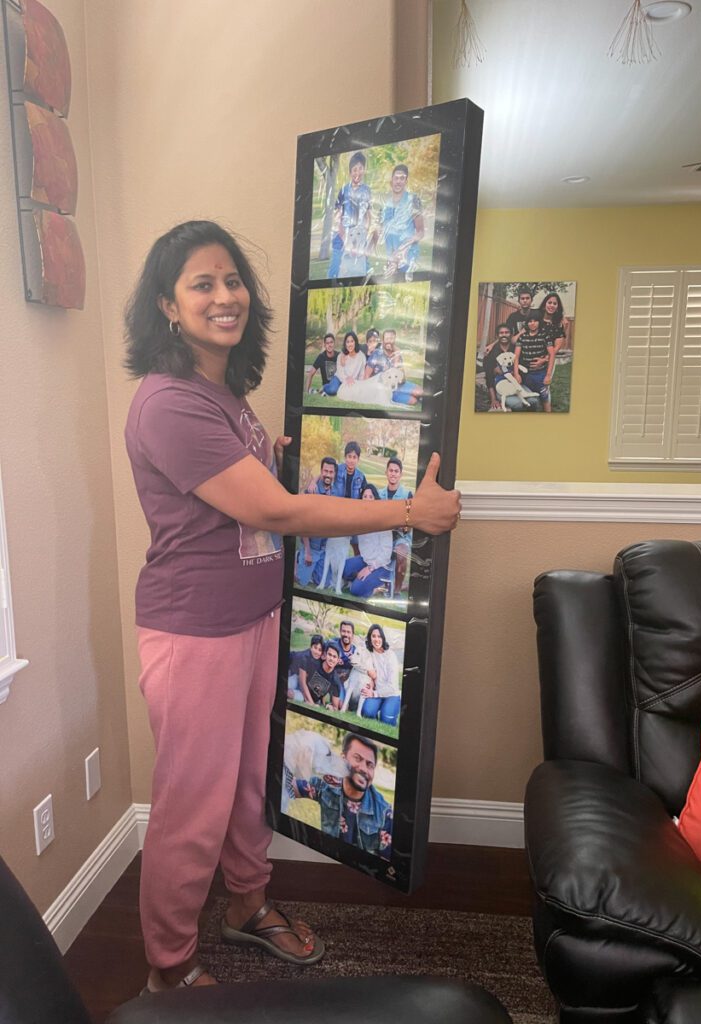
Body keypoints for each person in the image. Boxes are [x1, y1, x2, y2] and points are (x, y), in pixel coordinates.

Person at [123, 219, 460, 992]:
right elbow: (273, 513)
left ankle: (247, 905)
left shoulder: (222, 393)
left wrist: (269, 456)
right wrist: (410, 512)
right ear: (168, 306)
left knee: (250, 784)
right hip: (195, 632)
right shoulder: (169, 403)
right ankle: (168, 971)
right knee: (191, 807)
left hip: (254, 619)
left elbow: (239, 493)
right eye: (202, 284)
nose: (225, 296)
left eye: (232, 279)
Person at [293, 733, 393, 859]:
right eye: (357, 758)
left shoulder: (384, 813)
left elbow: (387, 863)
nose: (364, 769)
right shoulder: (326, 785)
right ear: (342, 759)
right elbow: (289, 786)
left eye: (370, 765)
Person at [343, 485, 394, 598]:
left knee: (356, 590)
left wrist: (369, 569)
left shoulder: (383, 521)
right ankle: (362, 579)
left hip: (381, 565)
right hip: (365, 560)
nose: (367, 499)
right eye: (364, 496)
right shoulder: (361, 519)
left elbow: (386, 554)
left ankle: (382, 585)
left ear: (376, 499)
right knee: (343, 568)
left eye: (370, 497)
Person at [373, 164, 424, 278]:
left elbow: (420, 232)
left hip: (408, 260)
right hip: (391, 262)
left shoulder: (413, 200)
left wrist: (402, 249)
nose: (398, 181)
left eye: (402, 178)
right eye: (396, 178)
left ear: (406, 181)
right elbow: (380, 233)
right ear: (391, 181)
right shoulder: (384, 205)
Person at [328, 152, 371, 279]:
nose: (357, 173)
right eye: (354, 170)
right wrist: (345, 239)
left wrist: (364, 235)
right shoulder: (344, 190)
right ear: (350, 172)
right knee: (335, 271)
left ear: (364, 170)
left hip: (359, 238)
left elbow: (368, 216)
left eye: (360, 168)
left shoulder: (367, 190)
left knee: (364, 271)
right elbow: (337, 217)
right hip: (342, 237)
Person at [295, 457, 336, 586]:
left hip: (324, 548)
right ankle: (299, 556)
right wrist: (307, 552)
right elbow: (303, 524)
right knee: (302, 582)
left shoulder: (335, 491)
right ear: (321, 471)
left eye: (331, 472)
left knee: (324, 583)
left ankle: (313, 566)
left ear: (335, 473)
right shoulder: (312, 491)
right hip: (311, 547)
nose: (328, 474)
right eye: (325, 471)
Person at [378, 457, 412, 594]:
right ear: (386, 472)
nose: (393, 474)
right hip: (381, 538)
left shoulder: (407, 495)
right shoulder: (379, 494)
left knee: (401, 553)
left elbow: (410, 524)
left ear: (400, 474)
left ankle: (397, 591)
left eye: (396, 471)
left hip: (400, 537)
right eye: (391, 470)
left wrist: (397, 525)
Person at [364, 328, 423, 406]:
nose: (389, 341)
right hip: (385, 390)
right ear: (383, 341)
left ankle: (419, 398)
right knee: (413, 401)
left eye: (391, 338)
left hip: (399, 385)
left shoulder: (397, 354)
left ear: (395, 340)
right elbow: (366, 375)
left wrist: (397, 356)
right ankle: (414, 398)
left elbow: (402, 379)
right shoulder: (376, 354)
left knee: (421, 391)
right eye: (387, 338)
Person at [359, 624, 401, 726]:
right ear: (370, 638)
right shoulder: (369, 653)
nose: (376, 639)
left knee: (386, 722)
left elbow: (392, 686)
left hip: (391, 694)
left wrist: (373, 694)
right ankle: (378, 708)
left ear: (383, 638)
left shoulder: (390, 655)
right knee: (367, 713)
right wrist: (369, 681)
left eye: (379, 636)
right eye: (373, 636)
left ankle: (387, 710)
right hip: (377, 691)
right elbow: (361, 664)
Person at [513, 316, 556, 413]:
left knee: (544, 397)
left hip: (540, 373)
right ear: (527, 323)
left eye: (535, 321)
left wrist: (548, 375)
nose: (532, 323)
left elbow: (552, 354)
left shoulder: (545, 335)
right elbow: (516, 356)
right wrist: (516, 374)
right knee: (529, 398)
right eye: (530, 321)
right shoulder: (522, 337)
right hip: (525, 374)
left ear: (539, 322)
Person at [298, 640, 344, 709]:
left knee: (340, 703)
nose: (331, 659)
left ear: (338, 660)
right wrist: (311, 703)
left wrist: (331, 707)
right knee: (296, 696)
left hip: (314, 700)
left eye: (334, 657)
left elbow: (335, 707)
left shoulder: (335, 681)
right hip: (299, 689)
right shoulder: (315, 663)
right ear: (325, 655)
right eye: (329, 655)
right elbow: (302, 682)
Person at [483, 323, 517, 411]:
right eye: (501, 333)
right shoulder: (491, 352)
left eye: (507, 332)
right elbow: (489, 377)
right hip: (500, 386)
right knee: (517, 404)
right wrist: (493, 399)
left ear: (511, 334)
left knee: (534, 401)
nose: (504, 335)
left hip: (516, 383)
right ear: (497, 336)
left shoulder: (515, 349)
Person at [323, 331, 366, 396]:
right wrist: (347, 379)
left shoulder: (361, 356)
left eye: (352, 341)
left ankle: (340, 387)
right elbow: (340, 372)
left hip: (352, 381)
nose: (350, 344)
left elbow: (361, 374)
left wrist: (359, 385)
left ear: (355, 342)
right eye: (347, 342)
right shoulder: (341, 355)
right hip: (339, 378)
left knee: (353, 393)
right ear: (345, 344)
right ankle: (325, 387)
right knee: (332, 390)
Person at [287, 634, 323, 702]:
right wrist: (311, 703)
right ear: (311, 647)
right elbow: (302, 683)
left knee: (292, 695)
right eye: (315, 648)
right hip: (294, 675)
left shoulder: (320, 660)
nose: (317, 652)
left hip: (304, 686)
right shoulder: (305, 658)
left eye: (320, 650)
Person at [537, 291, 571, 356]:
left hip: (548, 358)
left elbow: (557, 347)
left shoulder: (558, 324)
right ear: (544, 304)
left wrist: (545, 359)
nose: (552, 305)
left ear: (557, 307)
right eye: (549, 303)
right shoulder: (536, 319)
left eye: (555, 304)